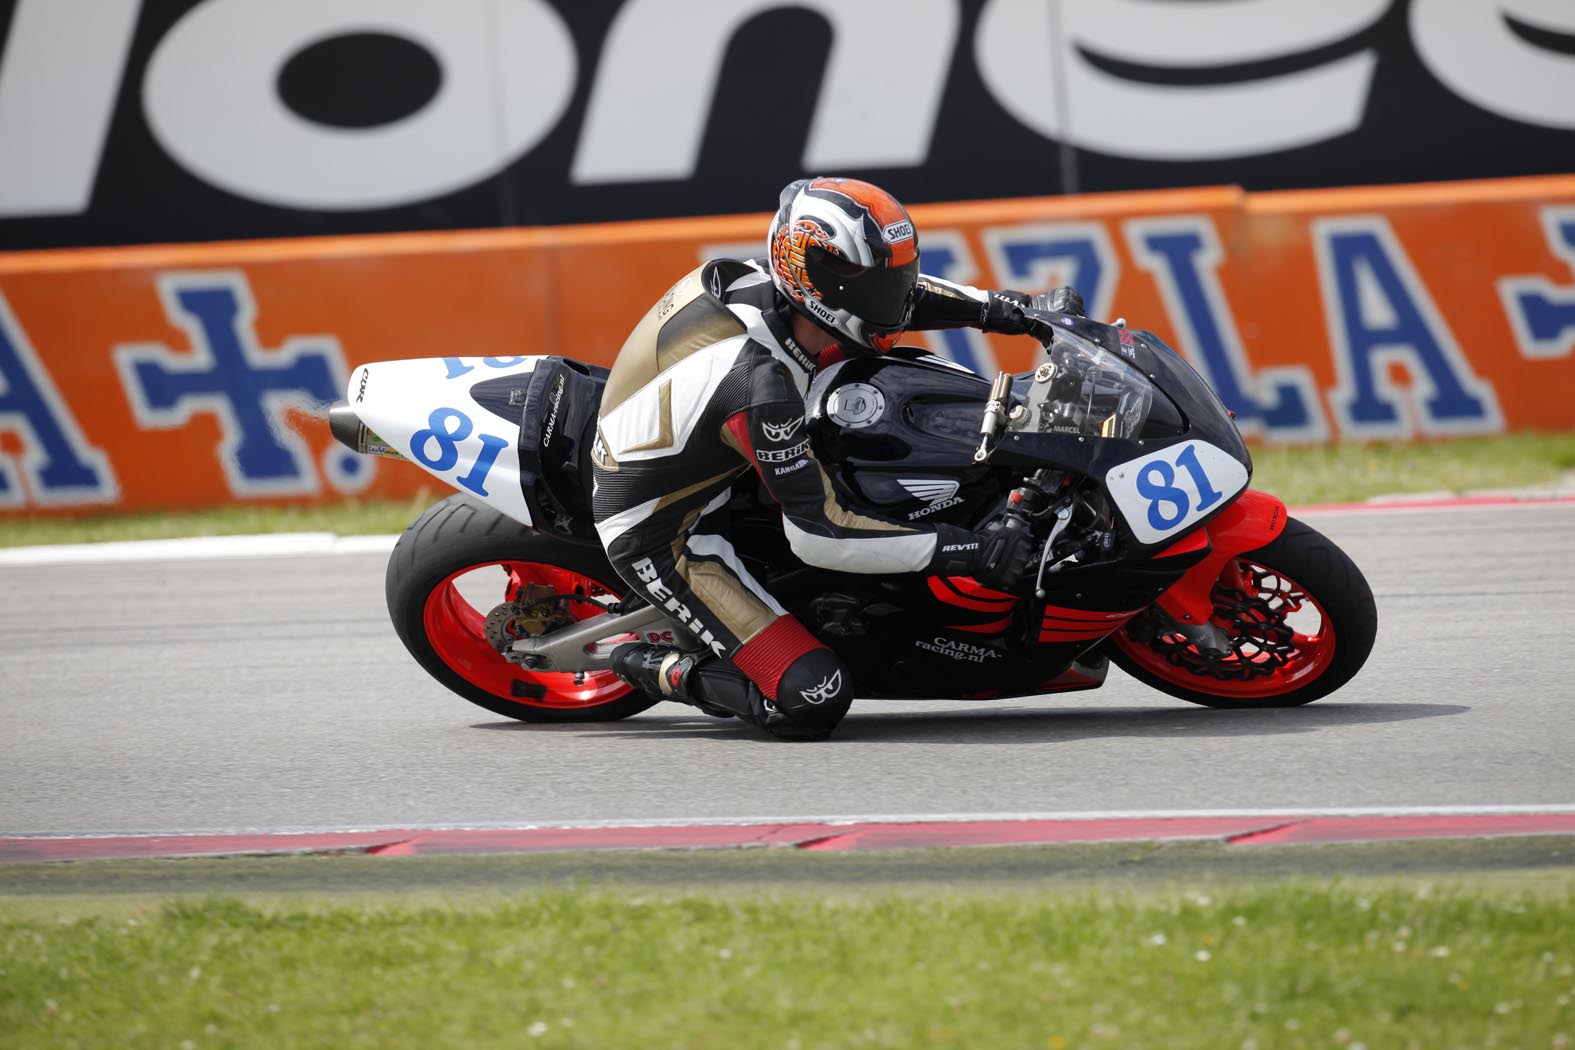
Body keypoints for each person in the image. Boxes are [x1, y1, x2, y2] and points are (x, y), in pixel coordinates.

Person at [595, 176, 1084, 740]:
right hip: (666, 528)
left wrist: (1013, 312)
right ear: (815, 284)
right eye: (882, 286)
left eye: (896, 276)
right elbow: (821, 531)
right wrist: (969, 551)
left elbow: (891, 300)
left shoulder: (782, 289)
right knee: (813, 697)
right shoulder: (761, 386)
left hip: (708, 448)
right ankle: (650, 666)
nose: (896, 299)